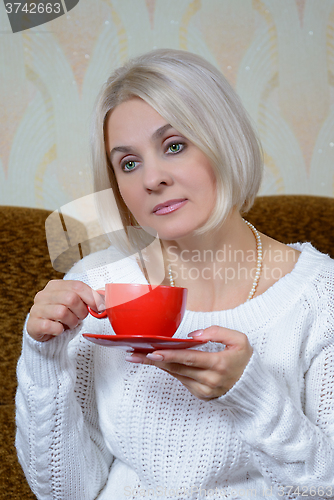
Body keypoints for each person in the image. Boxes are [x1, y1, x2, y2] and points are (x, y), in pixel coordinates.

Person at [15, 49, 334, 500]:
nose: (152, 179)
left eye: (174, 145)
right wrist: (43, 359)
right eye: (129, 163)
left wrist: (250, 394)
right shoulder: (94, 287)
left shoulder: (320, 295)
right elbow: (63, 493)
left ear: (224, 141)